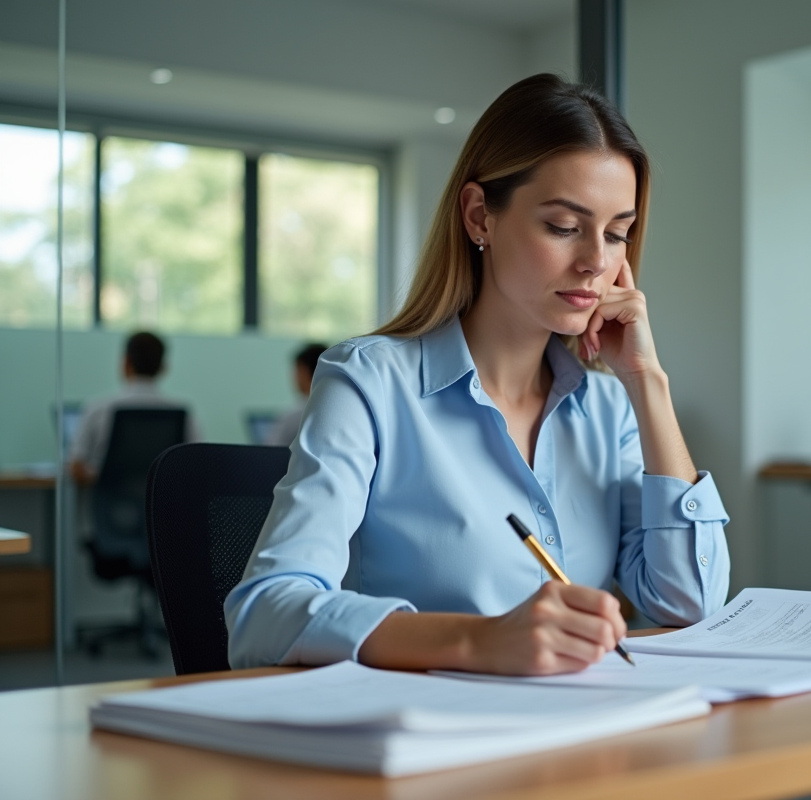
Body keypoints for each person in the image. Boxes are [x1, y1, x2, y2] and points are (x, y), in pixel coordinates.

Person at [225, 74, 731, 675]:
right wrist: (479, 641)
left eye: (618, 233)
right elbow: (264, 613)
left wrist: (648, 383)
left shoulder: (607, 409)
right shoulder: (369, 383)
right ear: (479, 217)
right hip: (421, 740)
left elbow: (689, 602)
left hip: (572, 739)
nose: (597, 260)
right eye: (564, 227)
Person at [69, 331, 202, 485]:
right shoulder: (182, 413)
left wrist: (106, 479)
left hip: (112, 504)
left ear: (125, 363)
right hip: (162, 506)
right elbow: (197, 465)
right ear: (163, 368)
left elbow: (76, 468)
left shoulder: (97, 408)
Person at [264, 343, 327, 447]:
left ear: (304, 371)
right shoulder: (336, 408)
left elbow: (269, 449)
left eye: (296, 370)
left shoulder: (296, 414)